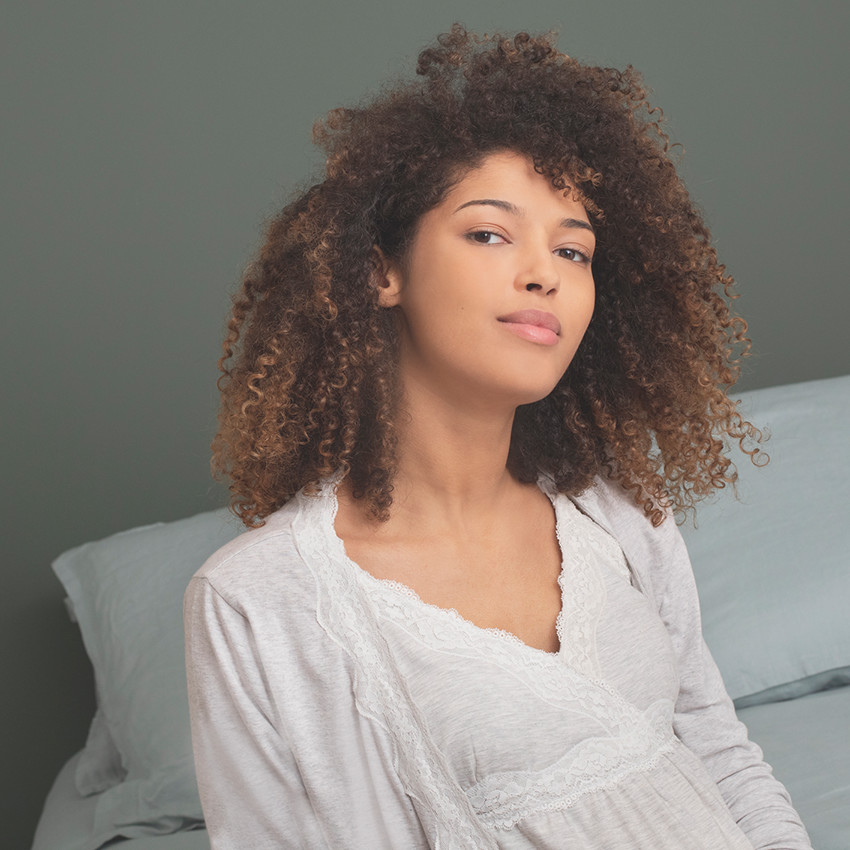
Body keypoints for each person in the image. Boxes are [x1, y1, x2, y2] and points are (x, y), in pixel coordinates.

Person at [183, 26, 812, 849]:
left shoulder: (621, 513)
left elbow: (721, 754)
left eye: (574, 250)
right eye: (489, 233)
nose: (545, 272)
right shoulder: (256, 599)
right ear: (381, 271)